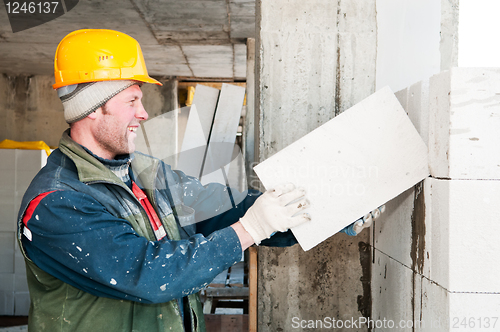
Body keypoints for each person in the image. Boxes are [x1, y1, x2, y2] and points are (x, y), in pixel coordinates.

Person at [17, 29, 378, 332]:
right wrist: (247, 231)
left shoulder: (146, 174)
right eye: (132, 100)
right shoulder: (56, 202)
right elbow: (148, 274)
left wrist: (330, 212)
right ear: (93, 107)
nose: (143, 113)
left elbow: (228, 208)